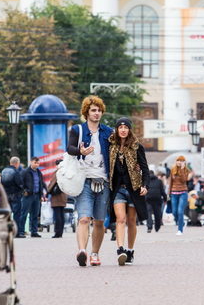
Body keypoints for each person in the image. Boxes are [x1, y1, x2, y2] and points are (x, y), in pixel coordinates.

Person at [67, 95, 113, 267]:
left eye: (99, 110)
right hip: (84, 180)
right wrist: (80, 151)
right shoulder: (77, 130)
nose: (97, 113)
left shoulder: (108, 132)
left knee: (99, 221)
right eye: (93, 110)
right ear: (86, 112)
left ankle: (95, 253)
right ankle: (82, 251)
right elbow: (70, 148)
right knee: (84, 218)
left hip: (103, 180)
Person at [109, 117, 149, 265]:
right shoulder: (111, 145)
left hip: (134, 189)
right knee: (120, 219)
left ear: (129, 130)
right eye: (120, 127)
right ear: (117, 129)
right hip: (118, 189)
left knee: (132, 221)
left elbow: (145, 168)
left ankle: (130, 250)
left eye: (126, 128)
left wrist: (145, 185)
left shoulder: (137, 146)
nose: (123, 130)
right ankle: (120, 249)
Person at [20, 157, 46, 238]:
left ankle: (34, 231)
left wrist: (42, 194)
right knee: (24, 214)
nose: (37, 164)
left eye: (38, 163)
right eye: (35, 162)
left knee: (35, 214)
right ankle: (21, 231)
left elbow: (41, 183)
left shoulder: (39, 172)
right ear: (31, 162)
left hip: (37, 195)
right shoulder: (25, 172)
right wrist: (24, 191)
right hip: (28, 196)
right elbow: (20, 183)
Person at [1, 156, 24, 237]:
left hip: (6, 196)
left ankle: (7, 231)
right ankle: (16, 232)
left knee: (8, 214)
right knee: (17, 215)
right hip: (15, 195)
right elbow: (20, 184)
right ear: (17, 163)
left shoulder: (3, 171)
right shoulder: (15, 172)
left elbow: (1, 183)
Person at [169, 155, 192, 235]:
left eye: (181, 161)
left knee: (180, 211)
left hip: (183, 192)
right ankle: (181, 223)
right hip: (174, 193)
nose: (179, 162)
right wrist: (169, 193)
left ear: (184, 162)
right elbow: (170, 182)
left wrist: (182, 169)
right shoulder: (172, 169)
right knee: (174, 212)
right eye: (178, 160)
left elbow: (184, 180)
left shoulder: (186, 170)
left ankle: (180, 230)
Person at [47, 159, 68, 238]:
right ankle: (60, 232)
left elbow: (52, 183)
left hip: (57, 196)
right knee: (61, 215)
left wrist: (48, 191)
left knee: (57, 215)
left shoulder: (58, 172)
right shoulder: (66, 172)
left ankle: (57, 233)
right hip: (63, 195)